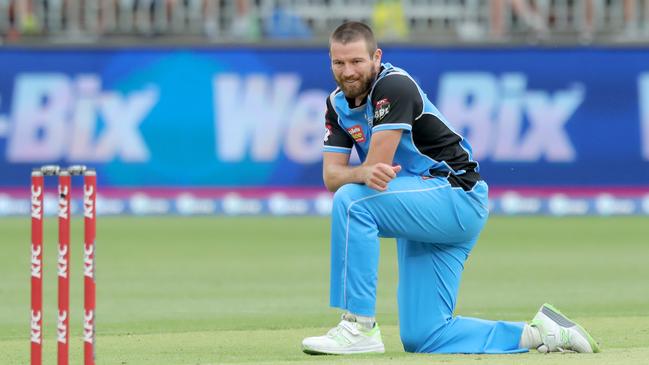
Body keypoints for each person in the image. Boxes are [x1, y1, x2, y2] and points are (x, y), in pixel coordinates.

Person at [301, 21, 600, 355]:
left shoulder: (394, 86)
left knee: (354, 203)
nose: (348, 71)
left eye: (357, 61)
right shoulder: (337, 104)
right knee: (424, 336)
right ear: (329, 61)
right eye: (339, 63)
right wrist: (359, 173)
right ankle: (540, 334)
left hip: (455, 193)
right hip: (423, 202)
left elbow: (377, 168)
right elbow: (332, 176)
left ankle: (358, 326)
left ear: (376, 57)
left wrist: (355, 174)